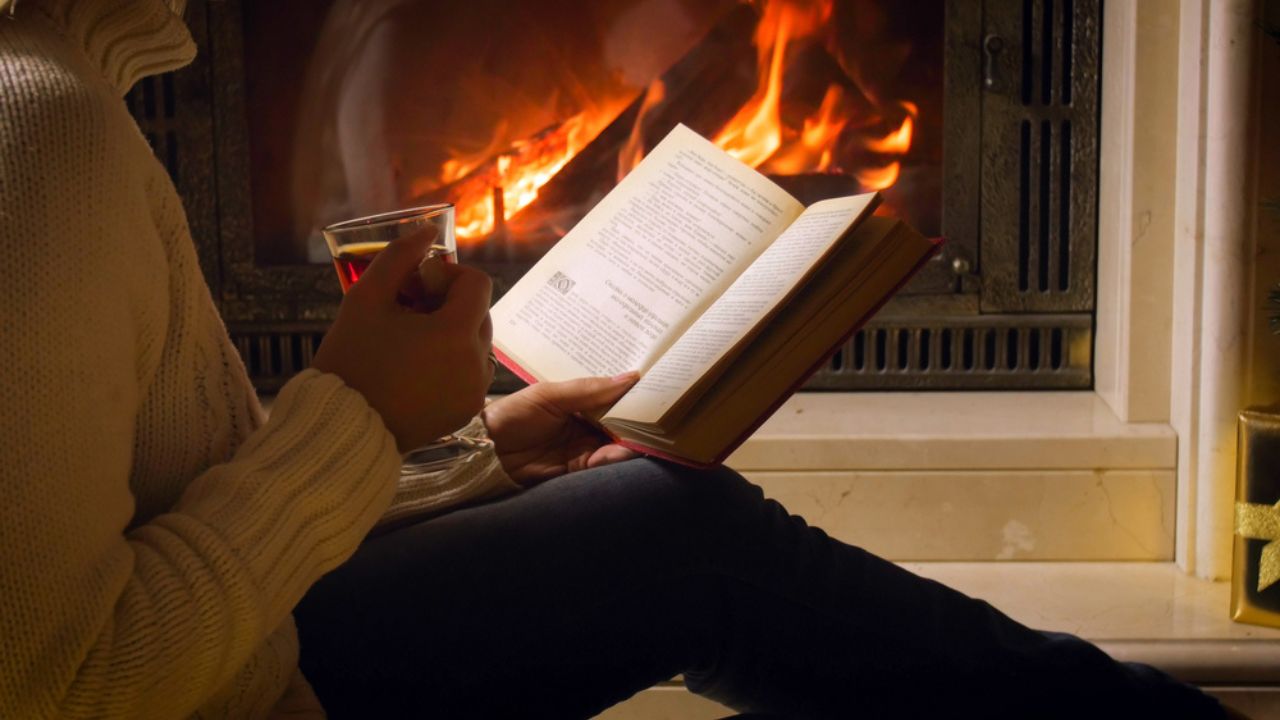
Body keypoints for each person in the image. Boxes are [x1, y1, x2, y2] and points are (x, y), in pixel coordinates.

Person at [0, 0, 1231, 718]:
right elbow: (68, 682)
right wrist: (358, 419)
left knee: (658, 511)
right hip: (258, 686)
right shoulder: (36, 124)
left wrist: (479, 455)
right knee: (680, 530)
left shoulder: (61, 102)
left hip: (260, 631)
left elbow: (158, 508)